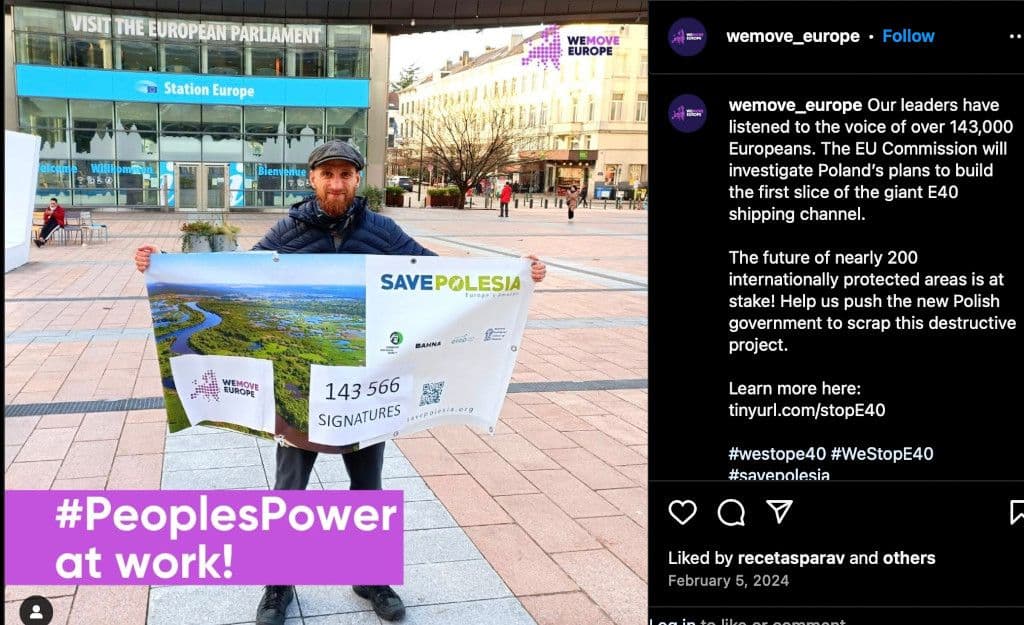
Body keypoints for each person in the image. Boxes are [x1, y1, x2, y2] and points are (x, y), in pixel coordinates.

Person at [133, 140, 547, 625]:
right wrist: (163, 264)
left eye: (345, 174)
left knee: (367, 486)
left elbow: (441, 275)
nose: (336, 183)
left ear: (357, 179)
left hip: (368, 387)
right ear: (312, 179)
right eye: (327, 174)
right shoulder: (287, 232)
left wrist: (515, 276)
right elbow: (231, 277)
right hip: (304, 391)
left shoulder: (382, 230)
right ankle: (277, 584)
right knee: (290, 488)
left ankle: (368, 575)